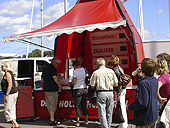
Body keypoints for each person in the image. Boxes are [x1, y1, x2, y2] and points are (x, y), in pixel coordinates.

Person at [128, 58, 158, 128]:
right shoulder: (154, 80)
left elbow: (142, 103)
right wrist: (140, 77)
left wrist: (131, 107)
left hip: (144, 117)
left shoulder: (143, 83)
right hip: (153, 115)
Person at [90, 58, 118, 128]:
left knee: (102, 112)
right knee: (109, 111)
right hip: (110, 92)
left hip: (101, 93)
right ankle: (108, 126)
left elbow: (92, 86)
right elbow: (116, 84)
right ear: (104, 63)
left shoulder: (96, 72)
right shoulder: (111, 71)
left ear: (97, 64)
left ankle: (105, 127)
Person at [106, 55, 128, 128]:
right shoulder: (120, 68)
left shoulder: (115, 70)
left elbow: (119, 83)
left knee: (120, 106)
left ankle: (122, 124)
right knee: (122, 106)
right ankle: (124, 123)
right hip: (122, 89)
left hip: (119, 90)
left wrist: (118, 94)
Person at [41, 57, 63, 126]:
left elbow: (42, 78)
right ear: (54, 62)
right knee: (53, 104)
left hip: (46, 88)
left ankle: (52, 118)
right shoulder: (53, 68)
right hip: (52, 89)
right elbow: (54, 77)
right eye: (57, 63)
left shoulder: (45, 68)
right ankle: (52, 120)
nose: (57, 65)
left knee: (49, 104)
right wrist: (59, 85)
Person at [67, 60, 89, 127]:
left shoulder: (75, 71)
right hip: (84, 89)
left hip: (77, 89)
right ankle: (86, 120)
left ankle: (77, 121)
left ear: (74, 66)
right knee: (84, 105)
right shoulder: (84, 70)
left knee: (77, 105)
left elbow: (74, 82)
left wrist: (69, 83)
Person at [1, 61, 20, 128]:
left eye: (2, 66)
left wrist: (6, 95)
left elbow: (10, 85)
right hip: (13, 93)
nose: (1, 67)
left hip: (11, 94)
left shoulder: (7, 73)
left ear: (6, 67)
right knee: (11, 109)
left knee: (7, 110)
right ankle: (13, 125)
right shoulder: (8, 73)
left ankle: (16, 124)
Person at [155, 58, 170, 127]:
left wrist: (159, 98)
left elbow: (156, 88)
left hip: (164, 105)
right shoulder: (168, 76)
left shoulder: (162, 78)